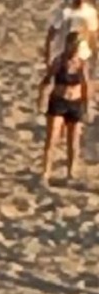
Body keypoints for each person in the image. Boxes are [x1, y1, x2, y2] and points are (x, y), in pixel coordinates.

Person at [39, 30, 90, 183]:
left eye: (77, 45)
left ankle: (71, 172)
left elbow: (85, 85)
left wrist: (86, 105)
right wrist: (42, 96)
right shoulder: (59, 61)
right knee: (52, 138)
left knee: (73, 140)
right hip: (58, 101)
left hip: (75, 103)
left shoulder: (81, 63)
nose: (74, 48)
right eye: (72, 44)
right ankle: (46, 171)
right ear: (67, 45)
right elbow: (48, 79)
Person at [46, 0, 99, 66]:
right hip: (63, 55)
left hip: (83, 55)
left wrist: (95, 56)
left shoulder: (90, 13)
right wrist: (48, 56)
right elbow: (51, 34)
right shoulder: (65, 12)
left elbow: (93, 36)